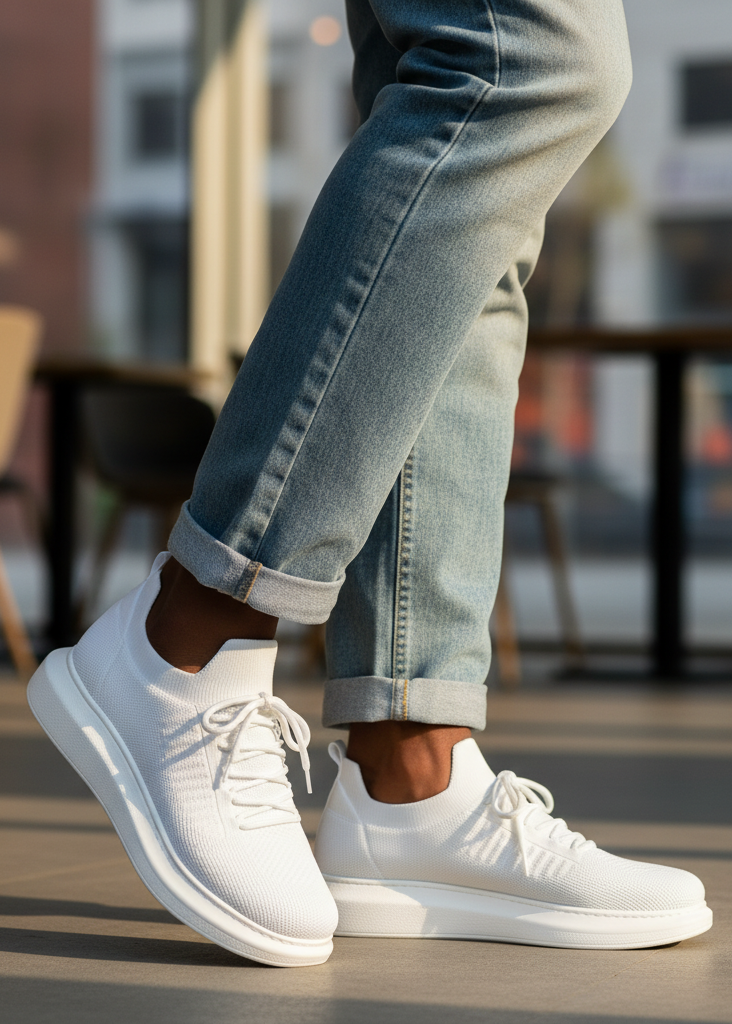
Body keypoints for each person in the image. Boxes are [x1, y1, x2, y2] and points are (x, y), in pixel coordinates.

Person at [28, 0, 711, 967]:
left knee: (479, 225)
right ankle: (186, 636)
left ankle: (411, 776)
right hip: (191, 627)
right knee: (524, 65)